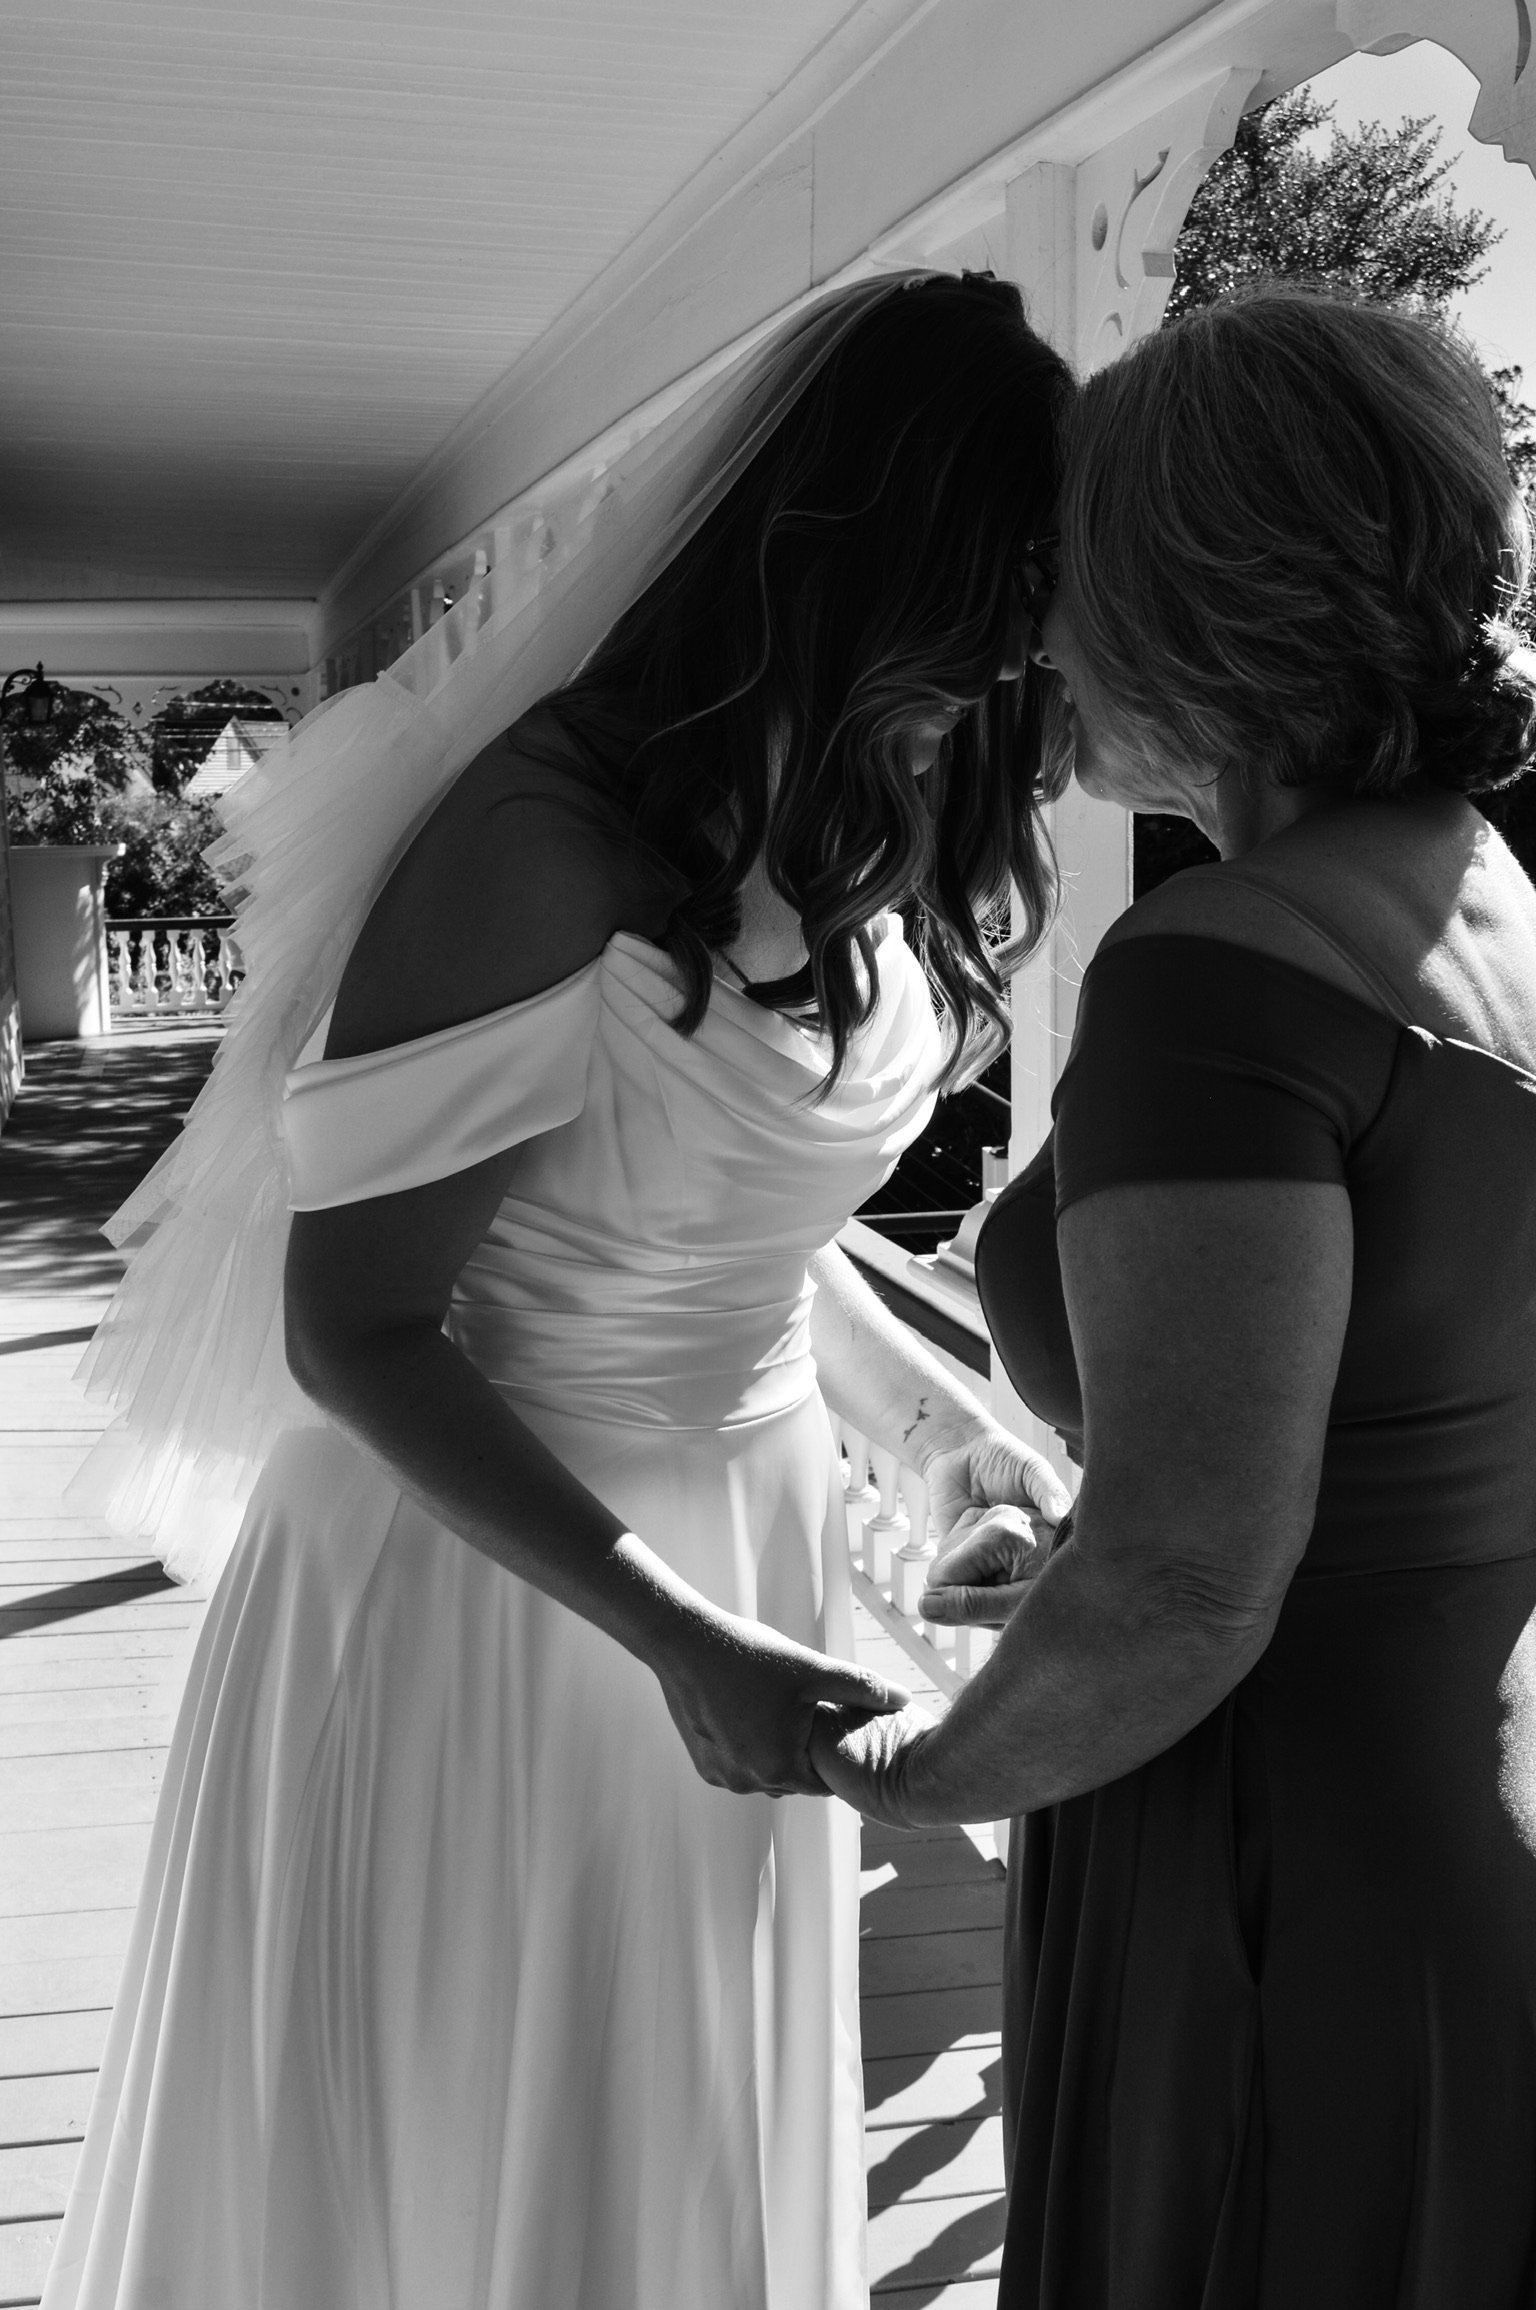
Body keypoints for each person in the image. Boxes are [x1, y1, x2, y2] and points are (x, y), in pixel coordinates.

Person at [42, 271, 1075, 2310]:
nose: (1039, 634)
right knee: (465, 2166)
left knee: (658, 2157)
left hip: (748, 1566)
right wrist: (684, 1639)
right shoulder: (547, 831)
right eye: (1011, 573)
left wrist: (953, 1454)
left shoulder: (887, 802)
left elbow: (748, 1249)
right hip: (489, 1596)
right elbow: (352, 1328)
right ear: (871, 548)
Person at [813, 285, 1536, 2307]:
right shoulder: (1488, 903)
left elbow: (1196, 1584)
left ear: (1197, 595)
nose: (1037, 637)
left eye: (1073, 575)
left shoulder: (1221, 968)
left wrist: (908, 1770)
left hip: (1258, 1862)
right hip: (1451, 1820)